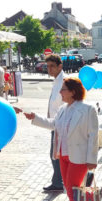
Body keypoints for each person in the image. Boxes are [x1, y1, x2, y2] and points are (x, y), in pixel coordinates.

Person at [24, 77, 98, 201]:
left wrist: (92, 159)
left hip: (79, 158)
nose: (60, 92)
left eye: (63, 89)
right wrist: (34, 117)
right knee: (71, 190)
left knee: (72, 190)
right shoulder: (63, 109)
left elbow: (93, 136)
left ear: (72, 92)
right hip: (63, 155)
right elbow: (53, 124)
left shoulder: (88, 109)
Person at [43, 54, 65, 192]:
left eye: (52, 66)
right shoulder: (56, 80)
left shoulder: (63, 81)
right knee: (57, 155)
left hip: (61, 125)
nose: (49, 69)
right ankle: (58, 181)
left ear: (60, 66)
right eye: (48, 66)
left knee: (55, 155)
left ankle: (57, 183)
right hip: (55, 123)